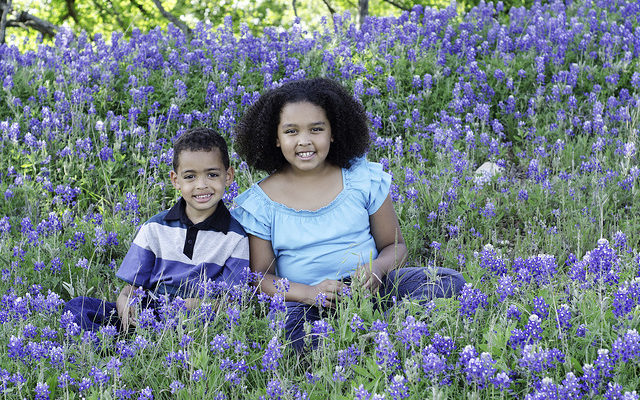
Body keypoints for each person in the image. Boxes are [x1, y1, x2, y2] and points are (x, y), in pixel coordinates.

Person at [231, 77, 465, 351]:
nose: (304, 141)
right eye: (291, 131)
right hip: (309, 302)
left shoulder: (361, 178)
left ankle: (374, 332)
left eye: (316, 129)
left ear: (333, 132)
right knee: (289, 329)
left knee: (449, 281)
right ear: (275, 138)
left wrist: (377, 268)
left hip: (375, 288)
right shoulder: (261, 202)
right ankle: (379, 335)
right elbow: (260, 278)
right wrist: (309, 293)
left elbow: (395, 246)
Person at [63, 127, 250, 333]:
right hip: (148, 311)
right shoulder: (154, 227)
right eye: (190, 177)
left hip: (194, 318)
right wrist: (124, 301)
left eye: (212, 174)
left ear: (229, 176)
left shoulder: (236, 237)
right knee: (78, 307)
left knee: (207, 325)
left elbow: (232, 302)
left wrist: (192, 305)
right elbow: (131, 288)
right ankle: (112, 346)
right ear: (175, 180)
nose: (201, 185)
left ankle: (136, 345)